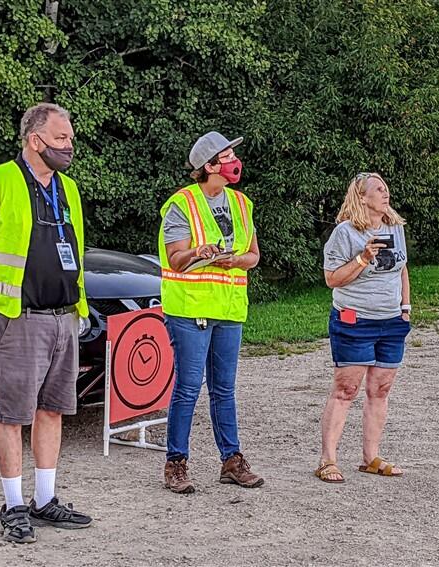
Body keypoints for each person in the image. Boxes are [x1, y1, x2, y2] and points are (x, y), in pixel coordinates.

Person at [0, 103, 92, 543]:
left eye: (69, 138)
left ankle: (45, 499)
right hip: (18, 318)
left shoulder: (67, 188)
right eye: (61, 139)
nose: (69, 146)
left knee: (52, 410)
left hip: (64, 316)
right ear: (36, 141)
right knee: (12, 415)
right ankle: (13, 505)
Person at [158, 131, 263, 494]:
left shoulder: (241, 203)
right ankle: (176, 463)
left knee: (224, 389)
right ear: (210, 165)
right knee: (188, 388)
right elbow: (175, 258)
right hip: (189, 308)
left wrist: (235, 260)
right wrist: (198, 253)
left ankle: (231, 461)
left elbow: (253, 256)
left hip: (229, 308)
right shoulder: (181, 204)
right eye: (228, 154)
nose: (234, 160)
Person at [314, 172, 411, 483]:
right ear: (362, 198)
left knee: (380, 389)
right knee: (346, 390)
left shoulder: (394, 226)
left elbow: (402, 268)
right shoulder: (345, 233)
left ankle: (371, 457)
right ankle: (327, 459)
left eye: (386, 188)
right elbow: (331, 279)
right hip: (354, 320)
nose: (386, 194)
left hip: (391, 321)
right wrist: (362, 258)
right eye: (378, 190)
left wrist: (405, 308)